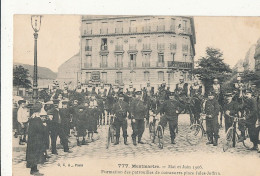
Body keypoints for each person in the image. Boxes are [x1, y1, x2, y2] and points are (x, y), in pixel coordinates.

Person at [26, 102, 46, 175]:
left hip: (32, 139)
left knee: (33, 154)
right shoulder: (37, 119)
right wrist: (44, 126)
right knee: (36, 154)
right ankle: (34, 171)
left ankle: (34, 169)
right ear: (40, 110)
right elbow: (40, 130)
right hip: (37, 139)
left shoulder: (32, 117)